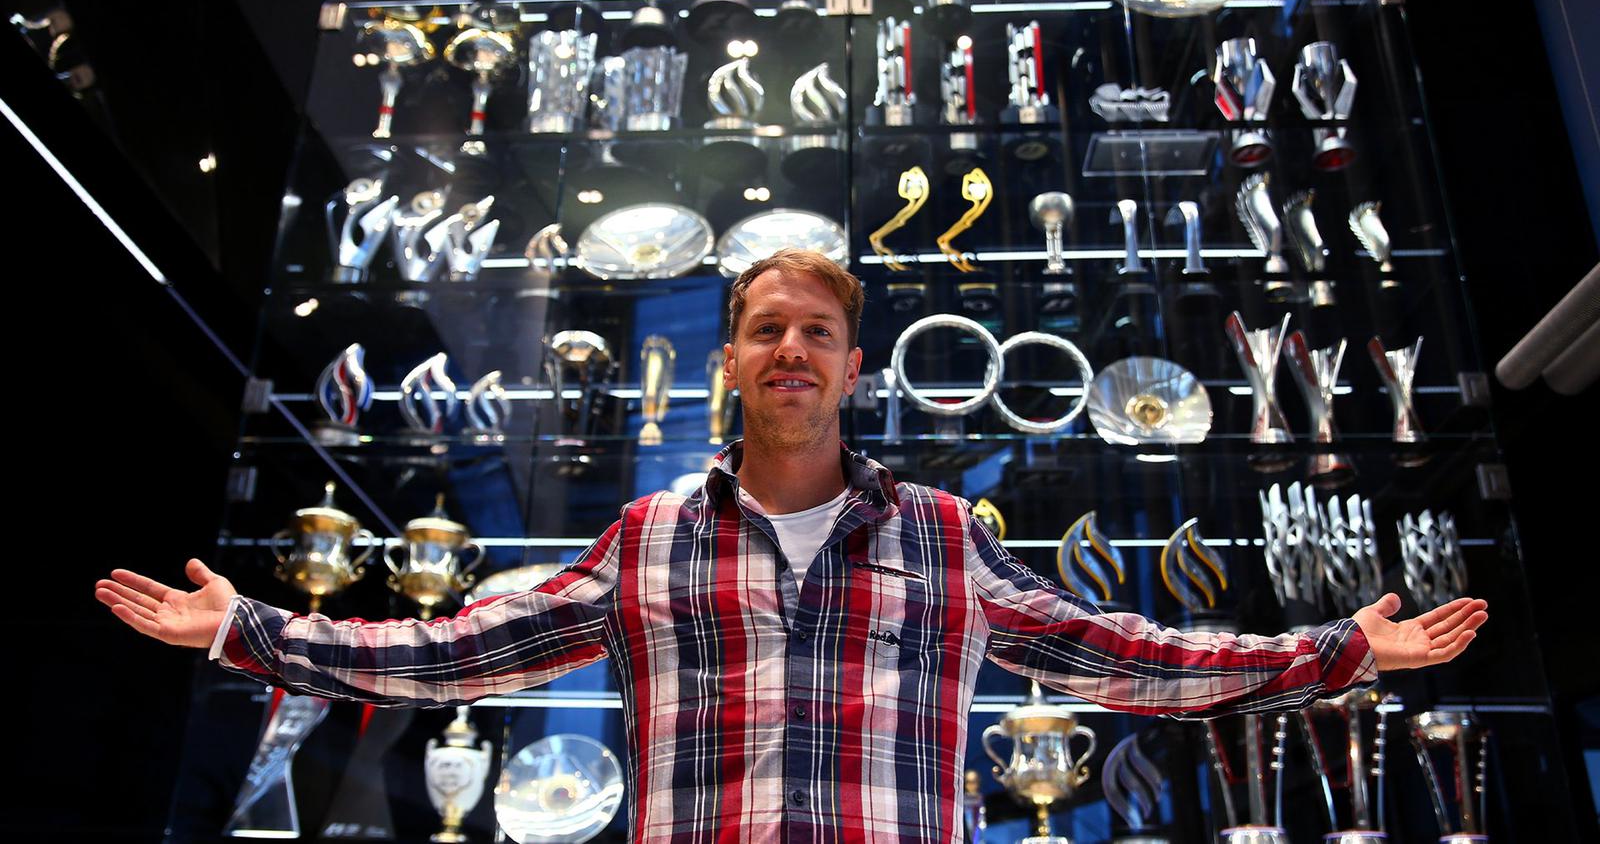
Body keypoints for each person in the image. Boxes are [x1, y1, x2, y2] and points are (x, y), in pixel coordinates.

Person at [97, 249, 1487, 843]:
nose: (791, 350)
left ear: (853, 367)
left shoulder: (942, 538)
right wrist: (246, 629)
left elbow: (1128, 656)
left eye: (817, 332)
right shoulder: (647, 538)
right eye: (766, 329)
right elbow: (460, 648)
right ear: (733, 362)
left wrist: (1336, 652)